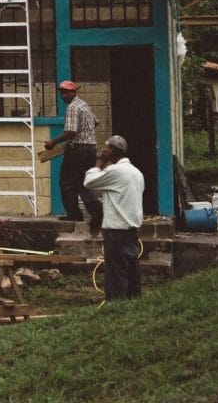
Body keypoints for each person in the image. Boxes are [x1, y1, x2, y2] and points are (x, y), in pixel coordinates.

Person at [83, 135, 146, 300]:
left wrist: (98, 164)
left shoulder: (115, 171)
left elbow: (89, 182)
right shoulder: (137, 172)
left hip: (116, 231)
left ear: (111, 151)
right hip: (131, 230)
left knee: (116, 275)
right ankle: (134, 303)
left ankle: (116, 307)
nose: (103, 150)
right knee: (131, 271)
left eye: (106, 148)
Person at [43, 80, 103, 232]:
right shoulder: (84, 105)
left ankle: (74, 214)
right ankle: (98, 213)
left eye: (67, 92)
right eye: (62, 92)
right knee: (84, 181)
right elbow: (96, 122)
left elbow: (71, 132)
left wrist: (53, 143)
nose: (64, 95)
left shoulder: (72, 107)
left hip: (77, 149)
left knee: (67, 181)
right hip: (91, 148)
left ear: (74, 92)